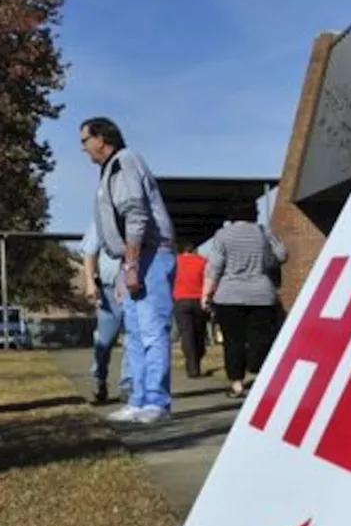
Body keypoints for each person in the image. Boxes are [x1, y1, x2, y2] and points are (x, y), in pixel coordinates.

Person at [80, 116, 176, 425]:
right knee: (133, 334)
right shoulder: (110, 169)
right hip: (132, 259)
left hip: (150, 256)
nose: (83, 149)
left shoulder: (125, 162)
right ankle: (137, 399)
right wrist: (125, 267)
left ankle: (156, 401)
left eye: (85, 141)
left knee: (151, 330)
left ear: (101, 139)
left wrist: (132, 264)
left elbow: (135, 214)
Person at [201, 201, 288, 399]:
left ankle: (237, 385)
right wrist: (265, 261)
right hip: (262, 295)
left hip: (229, 295)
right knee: (260, 337)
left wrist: (205, 294)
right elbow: (283, 254)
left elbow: (213, 268)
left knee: (233, 341)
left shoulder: (223, 236)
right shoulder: (263, 231)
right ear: (254, 215)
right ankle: (256, 367)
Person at [80, 221, 131, 403]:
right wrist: (90, 282)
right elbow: (89, 252)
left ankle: (128, 385)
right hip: (109, 289)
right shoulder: (101, 221)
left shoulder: (137, 220)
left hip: (134, 288)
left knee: (131, 339)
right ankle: (99, 379)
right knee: (105, 340)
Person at [173, 242, 207, 379]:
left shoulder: (175, 262)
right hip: (198, 300)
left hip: (180, 300)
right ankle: (197, 359)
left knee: (187, 335)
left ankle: (192, 366)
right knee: (199, 333)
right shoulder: (203, 261)